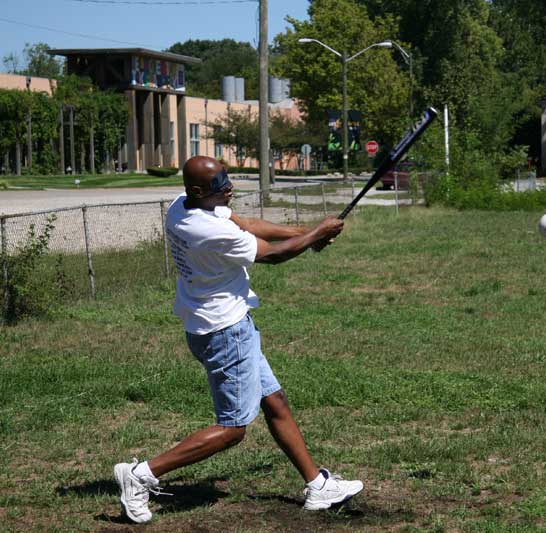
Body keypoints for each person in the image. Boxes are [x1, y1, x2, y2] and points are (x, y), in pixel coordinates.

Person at [114, 155, 363, 523]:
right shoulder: (208, 232)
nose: (229, 187)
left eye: (227, 178)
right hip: (225, 332)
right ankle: (140, 475)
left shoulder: (179, 207)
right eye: (220, 184)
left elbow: (247, 223)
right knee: (233, 428)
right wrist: (314, 236)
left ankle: (317, 485)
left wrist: (309, 233)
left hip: (214, 325)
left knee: (274, 401)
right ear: (199, 191)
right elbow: (273, 255)